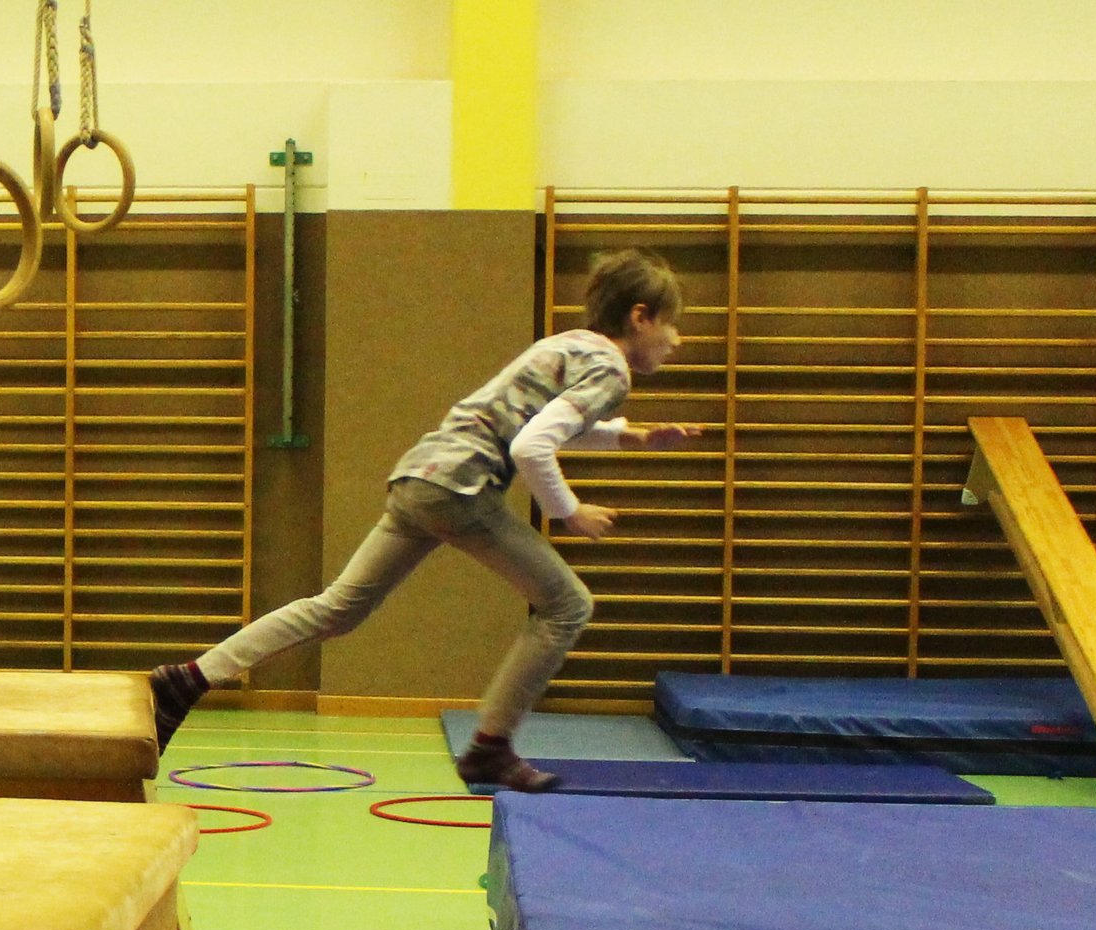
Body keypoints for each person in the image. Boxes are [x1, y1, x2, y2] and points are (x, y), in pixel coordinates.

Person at [149, 248, 700, 791]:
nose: (675, 340)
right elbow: (533, 446)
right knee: (568, 605)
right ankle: (490, 748)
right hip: (462, 490)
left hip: (421, 478)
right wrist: (569, 511)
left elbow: (534, 423)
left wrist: (630, 437)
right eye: (670, 324)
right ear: (639, 316)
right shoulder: (610, 370)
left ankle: (188, 679)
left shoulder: (566, 344)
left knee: (336, 608)